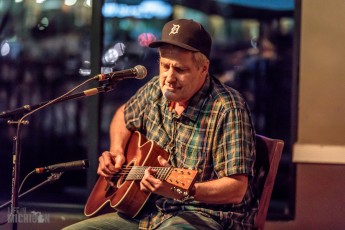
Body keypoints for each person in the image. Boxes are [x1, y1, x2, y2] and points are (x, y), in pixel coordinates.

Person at [64, 18, 257, 230]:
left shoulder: (228, 108)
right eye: (165, 66)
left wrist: (187, 190)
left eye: (180, 70)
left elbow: (237, 189)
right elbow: (123, 115)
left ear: (204, 68)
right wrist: (117, 151)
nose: (169, 78)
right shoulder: (155, 89)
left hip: (203, 215)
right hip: (147, 214)